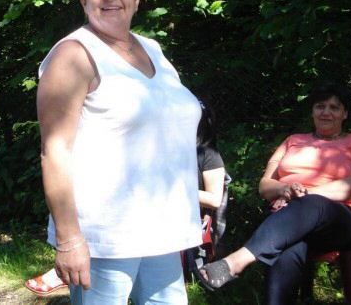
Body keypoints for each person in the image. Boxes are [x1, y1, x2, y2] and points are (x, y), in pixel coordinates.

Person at [36, 0, 203, 305]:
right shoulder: (73, 54)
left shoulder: (154, 49)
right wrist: (69, 239)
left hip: (162, 231)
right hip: (104, 239)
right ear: (84, 0)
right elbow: (55, 151)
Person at [198, 82, 351, 305]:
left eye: (334, 107)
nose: (326, 112)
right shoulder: (293, 141)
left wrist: (305, 194)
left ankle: (237, 261)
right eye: (320, 106)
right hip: (291, 218)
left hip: (343, 221)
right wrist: (284, 189)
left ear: (345, 114)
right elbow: (265, 185)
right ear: (312, 111)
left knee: (313, 203)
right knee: (289, 245)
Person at [25, 100, 226, 297]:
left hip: (172, 225)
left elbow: (214, 199)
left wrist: (174, 189)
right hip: (125, 223)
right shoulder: (166, 148)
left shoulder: (209, 154)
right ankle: (66, 274)